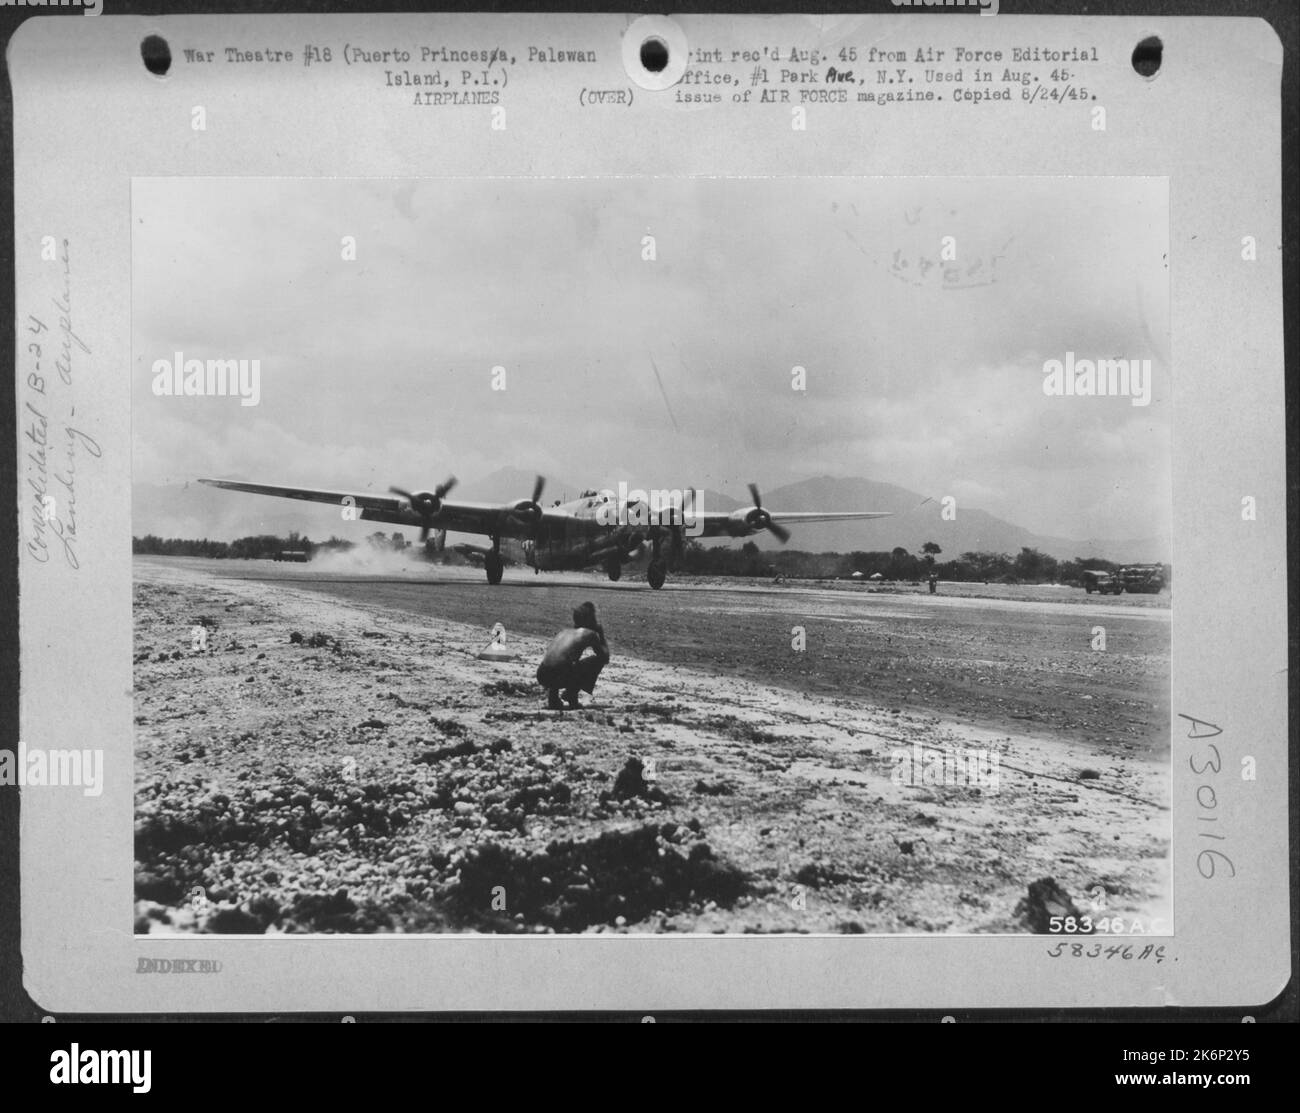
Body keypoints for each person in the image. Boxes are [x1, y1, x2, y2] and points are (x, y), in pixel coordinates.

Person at [537, 601, 609, 710]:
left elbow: (555, 660)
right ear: (590, 619)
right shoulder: (590, 634)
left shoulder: (564, 632)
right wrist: (601, 633)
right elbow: (605, 657)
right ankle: (571, 694)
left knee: (562, 662)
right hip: (559, 676)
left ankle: (553, 698)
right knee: (596, 661)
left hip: (542, 674)